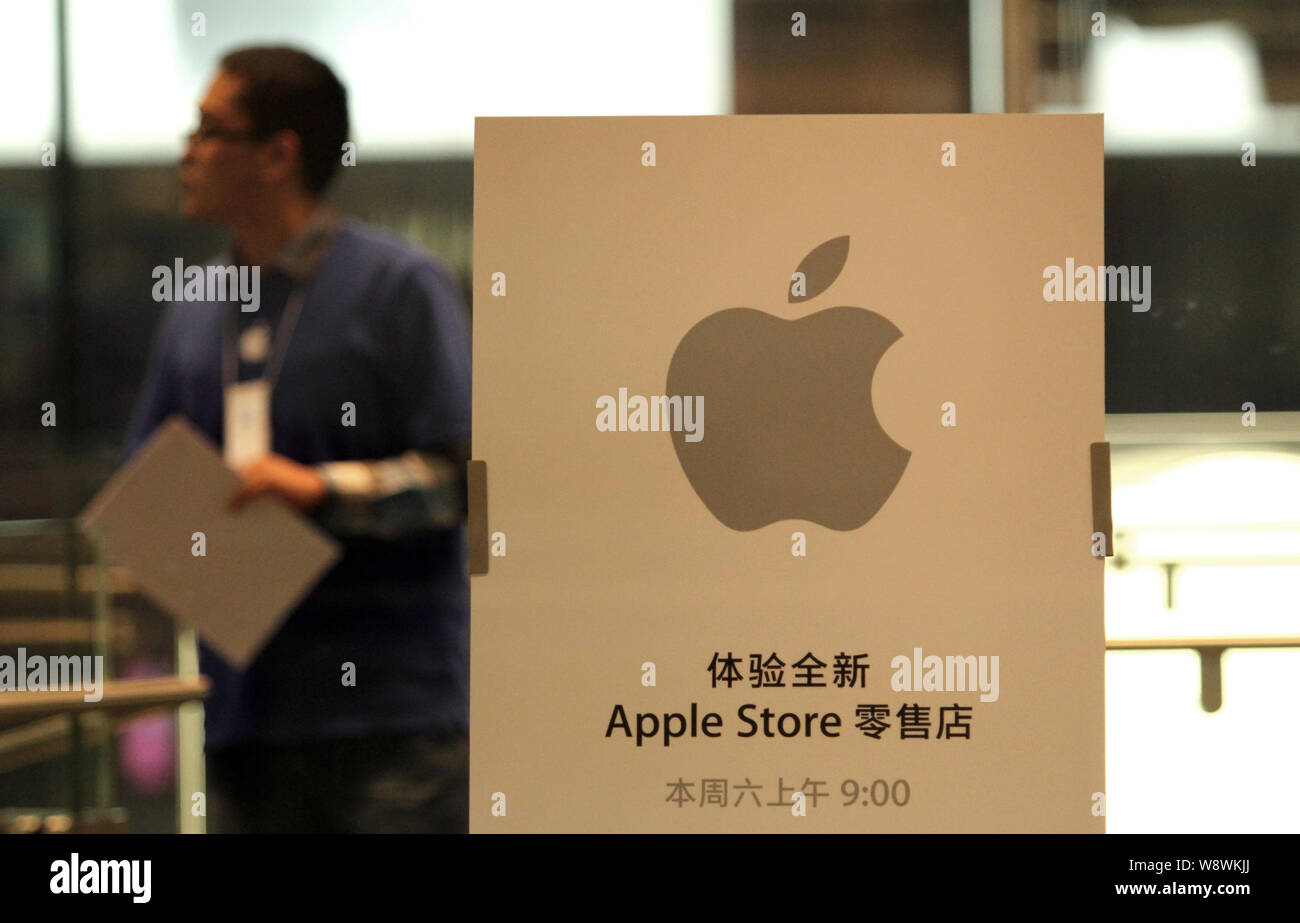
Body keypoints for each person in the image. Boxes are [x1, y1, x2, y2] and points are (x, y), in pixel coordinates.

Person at [124, 45, 472, 833]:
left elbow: (467, 483)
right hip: (245, 716)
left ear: (279, 153)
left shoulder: (395, 286)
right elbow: (143, 473)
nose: (187, 149)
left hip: (391, 721)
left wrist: (321, 491)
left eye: (210, 130)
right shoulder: (195, 306)